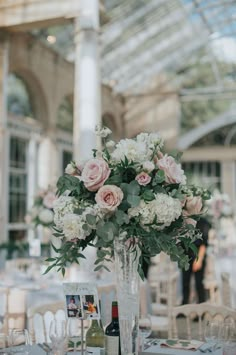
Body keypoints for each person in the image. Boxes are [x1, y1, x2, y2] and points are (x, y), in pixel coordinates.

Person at [182, 217, 211, 304]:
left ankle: (201, 309)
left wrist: (199, 260)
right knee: (185, 283)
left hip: (198, 256)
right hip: (185, 257)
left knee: (199, 284)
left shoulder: (203, 222)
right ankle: (184, 307)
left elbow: (204, 243)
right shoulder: (184, 220)